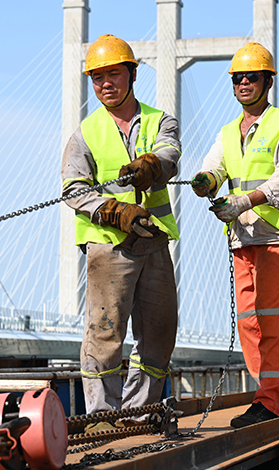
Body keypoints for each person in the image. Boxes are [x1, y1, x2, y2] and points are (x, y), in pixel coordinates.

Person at [61, 34, 180, 428]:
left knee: (160, 332)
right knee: (104, 333)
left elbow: (169, 154)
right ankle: (102, 416)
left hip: (153, 242)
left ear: (132, 74)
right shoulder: (85, 133)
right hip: (108, 248)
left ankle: (138, 414)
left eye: (113, 74)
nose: (105, 83)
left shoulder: (160, 121)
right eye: (97, 78)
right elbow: (73, 189)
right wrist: (113, 210)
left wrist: (151, 165)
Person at [191, 42, 279, 428]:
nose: (243, 82)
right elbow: (214, 168)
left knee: (273, 320)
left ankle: (271, 400)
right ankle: (272, 396)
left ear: (268, 81)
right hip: (242, 238)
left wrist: (245, 201)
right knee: (249, 321)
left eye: (251, 76)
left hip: (275, 237)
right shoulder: (228, 133)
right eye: (237, 78)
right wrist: (205, 181)